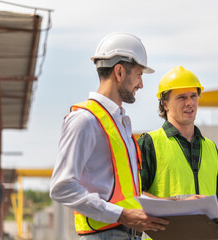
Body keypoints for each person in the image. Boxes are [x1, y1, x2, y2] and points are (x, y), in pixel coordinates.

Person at [50, 32, 168, 240]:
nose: (141, 84)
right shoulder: (84, 120)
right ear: (120, 72)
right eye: (139, 74)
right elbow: (62, 187)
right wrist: (121, 215)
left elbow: (126, 196)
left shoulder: (119, 124)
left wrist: (177, 205)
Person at [137, 66, 218, 240]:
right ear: (164, 103)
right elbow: (135, 193)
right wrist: (179, 205)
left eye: (193, 96)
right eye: (181, 97)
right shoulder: (149, 143)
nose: (190, 102)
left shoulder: (211, 147)